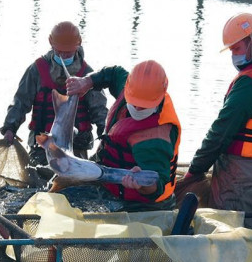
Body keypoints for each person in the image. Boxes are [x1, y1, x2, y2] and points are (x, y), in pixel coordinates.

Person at [177, 13, 252, 237]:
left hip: (245, 178)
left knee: (229, 242)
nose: (233, 55)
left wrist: (195, 170)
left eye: (235, 49)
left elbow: (221, 132)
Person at [66, 60, 181, 211]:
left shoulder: (155, 140)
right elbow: (114, 73)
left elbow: (157, 186)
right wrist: (86, 81)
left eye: (144, 105)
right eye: (134, 102)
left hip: (145, 205)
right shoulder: (128, 86)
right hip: (108, 176)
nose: (138, 108)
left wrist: (142, 186)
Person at [1, 21, 108, 166]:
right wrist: (9, 128)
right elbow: (20, 102)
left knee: (75, 184)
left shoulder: (88, 76)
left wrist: (106, 136)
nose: (63, 55)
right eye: (59, 51)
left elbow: (100, 110)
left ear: (78, 46)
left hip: (76, 146)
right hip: (42, 145)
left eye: (68, 51)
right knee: (38, 182)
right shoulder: (37, 70)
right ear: (51, 44)